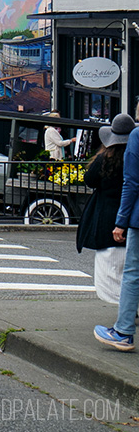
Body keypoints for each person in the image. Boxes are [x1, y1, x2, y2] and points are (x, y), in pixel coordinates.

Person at [80, 114, 135, 304]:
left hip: (106, 219)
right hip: (132, 215)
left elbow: (89, 180)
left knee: (110, 268)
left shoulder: (105, 158)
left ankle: (123, 307)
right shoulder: (135, 156)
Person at [96, 108, 139, 350]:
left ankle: (123, 331)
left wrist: (121, 221)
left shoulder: (137, 136)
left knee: (132, 274)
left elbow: (131, 181)